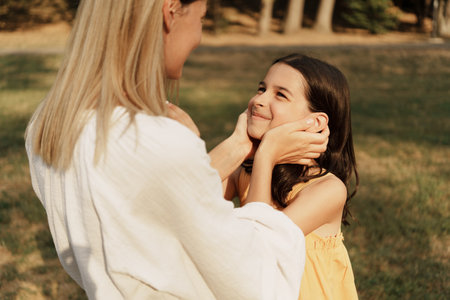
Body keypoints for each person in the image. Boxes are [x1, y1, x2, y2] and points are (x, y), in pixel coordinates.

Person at [24, 1, 329, 299]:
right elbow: (253, 281)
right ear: (170, 13)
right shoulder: (157, 140)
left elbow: (158, 212)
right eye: (201, 18)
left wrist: (237, 146)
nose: (198, 37)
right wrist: (265, 156)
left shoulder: (47, 124)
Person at [223, 54, 359, 300]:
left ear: (315, 122)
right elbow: (188, 200)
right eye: (262, 88)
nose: (259, 100)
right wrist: (237, 144)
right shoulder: (247, 169)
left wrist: (267, 154)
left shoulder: (328, 189)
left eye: (280, 95)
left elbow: (261, 251)